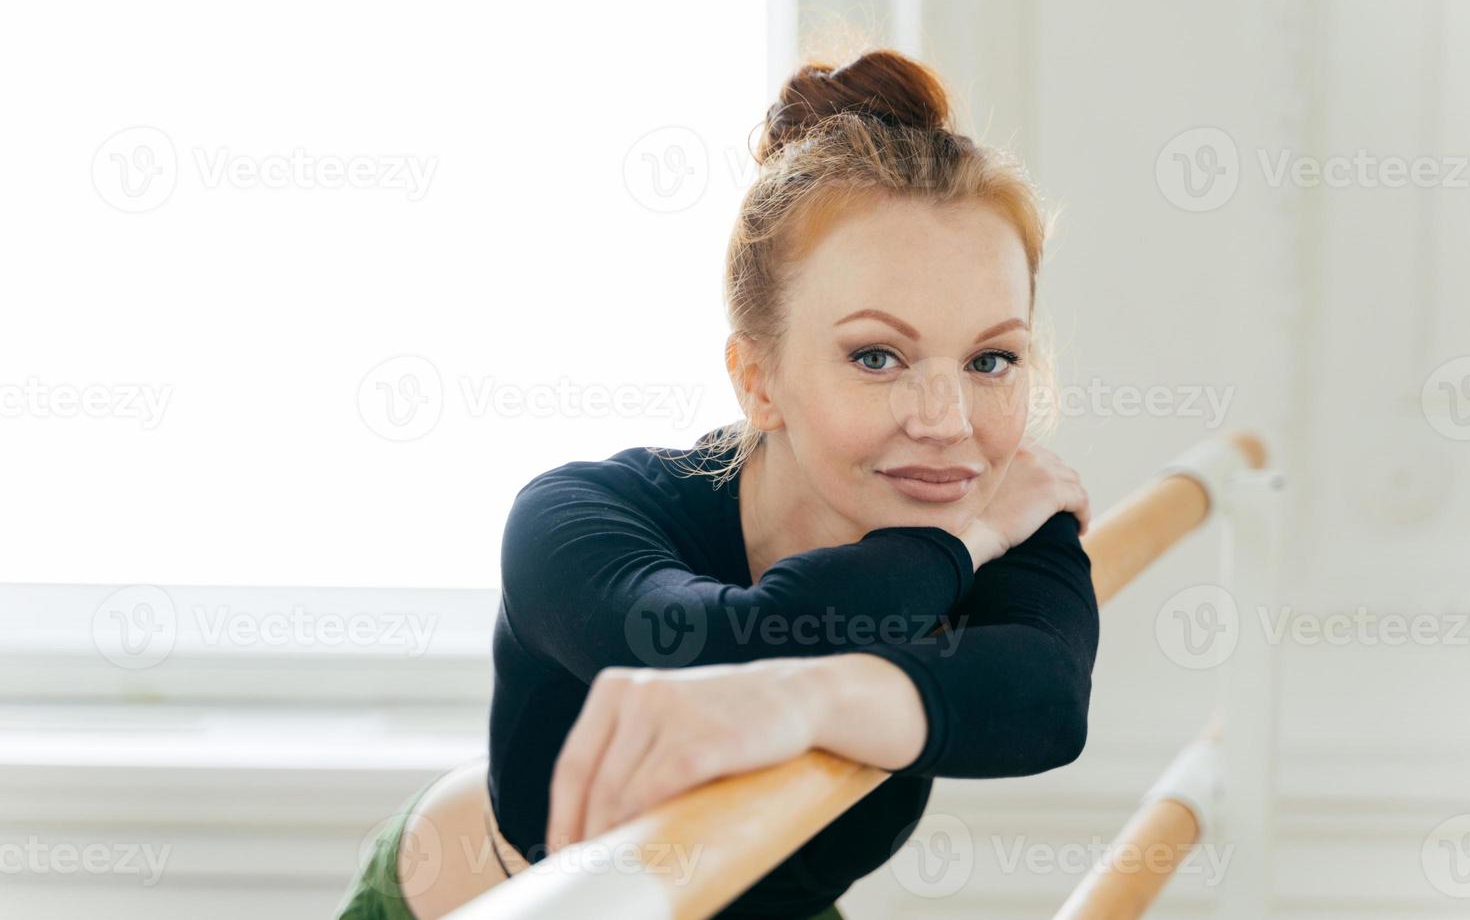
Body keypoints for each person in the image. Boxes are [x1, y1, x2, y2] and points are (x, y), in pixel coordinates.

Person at [337, 46, 1099, 920]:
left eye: (991, 359)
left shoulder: (997, 502)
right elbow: (715, 651)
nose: (947, 419)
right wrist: (959, 549)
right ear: (758, 378)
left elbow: (1045, 701)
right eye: (877, 356)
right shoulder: (580, 520)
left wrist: (815, 696)